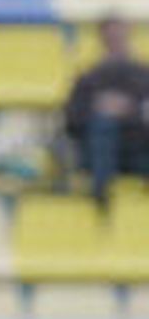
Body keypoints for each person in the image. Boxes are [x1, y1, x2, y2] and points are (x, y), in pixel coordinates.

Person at [63, 15, 149, 202]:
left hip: (139, 151)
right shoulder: (88, 78)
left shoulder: (144, 75)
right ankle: (100, 198)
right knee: (103, 126)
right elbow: (72, 121)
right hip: (97, 154)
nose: (115, 39)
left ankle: (101, 200)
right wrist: (100, 111)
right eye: (111, 35)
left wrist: (128, 111)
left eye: (119, 34)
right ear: (102, 38)